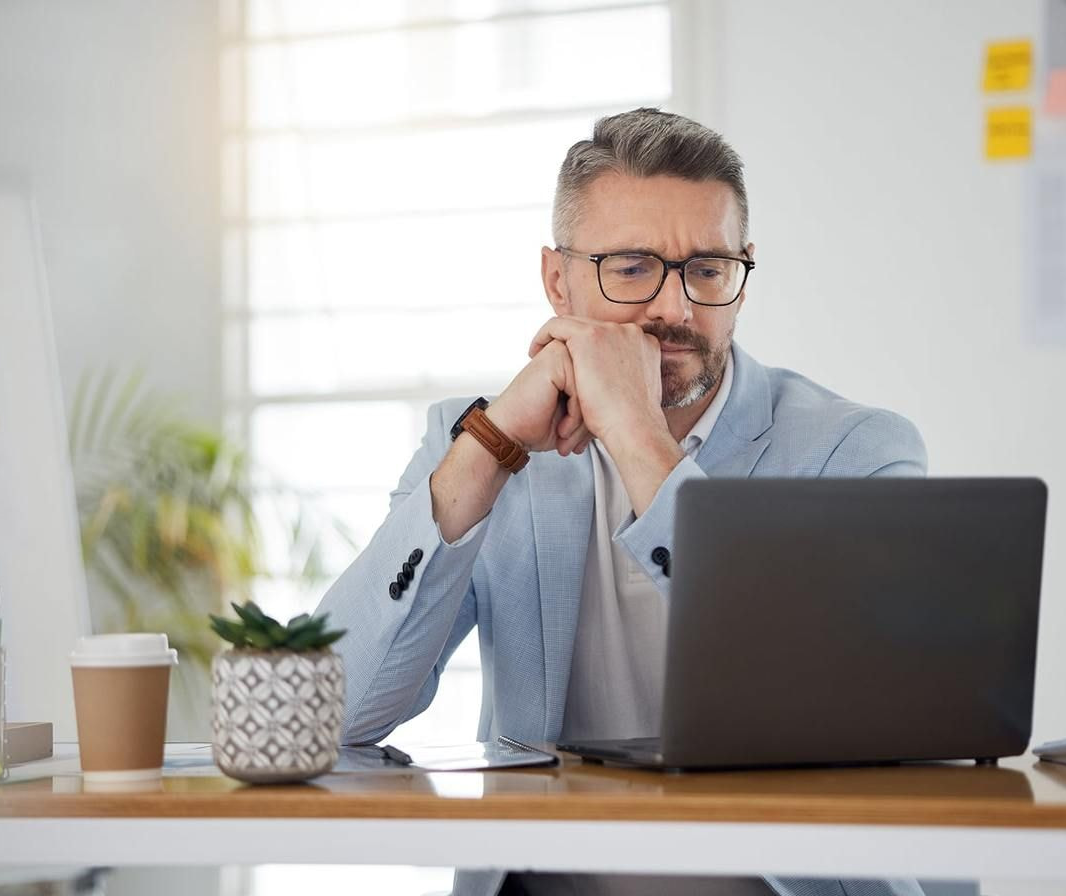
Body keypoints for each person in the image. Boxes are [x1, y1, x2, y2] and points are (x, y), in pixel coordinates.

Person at [317, 108, 927, 896]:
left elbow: (835, 715)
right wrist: (490, 448)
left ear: (743, 274)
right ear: (556, 280)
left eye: (707, 269)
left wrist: (642, 442)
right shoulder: (477, 441)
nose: (674, 309)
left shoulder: (859, 453)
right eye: (632, 267)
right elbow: (334, 716)